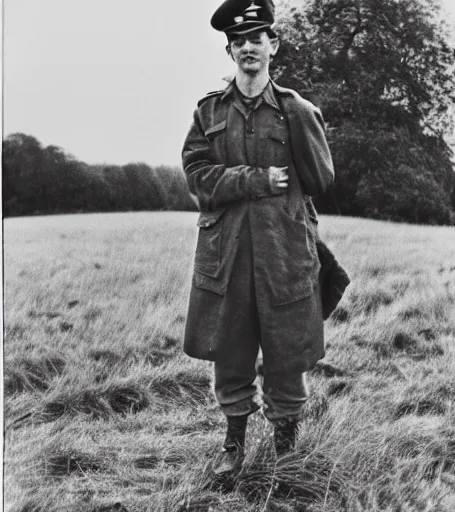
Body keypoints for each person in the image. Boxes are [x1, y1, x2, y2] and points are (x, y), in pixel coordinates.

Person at [181, 0, 335, 478]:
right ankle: (233, 442)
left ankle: (287, 442)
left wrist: (304, 135)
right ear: (230, 51)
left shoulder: (296, 110)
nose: (249, 47)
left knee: (287, 350)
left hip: (283, 251)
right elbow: (197, 176)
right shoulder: (208, 111)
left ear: (274, 45)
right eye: (239, 41)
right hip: (226, 252)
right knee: (231, 350)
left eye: (257, 38)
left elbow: (321, 178)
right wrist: (253, 179)